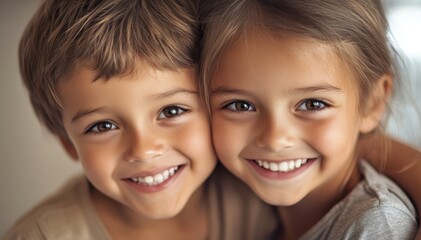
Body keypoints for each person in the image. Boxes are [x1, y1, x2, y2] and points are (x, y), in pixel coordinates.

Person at [3, 0, 277, 239]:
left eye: (171, 111)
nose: (143, 150)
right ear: (67, 142)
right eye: (103, 126)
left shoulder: (262, 200)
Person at [199, 0, 420, 239]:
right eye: (240, 106)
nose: (275, 139)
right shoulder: (241, 202)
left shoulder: (377, 226)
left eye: (313, 104)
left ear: (372, 103)